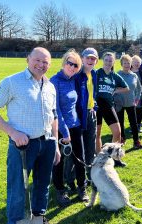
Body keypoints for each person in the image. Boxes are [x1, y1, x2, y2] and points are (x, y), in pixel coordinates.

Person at [0, 47, 60, 224]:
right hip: (23, 145)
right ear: (28, 59)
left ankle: (39, 219)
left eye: (45, 62)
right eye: (37, 60)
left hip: (48, 143)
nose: (41, 65)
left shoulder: (50, 86)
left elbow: (54, 117)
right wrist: (13, 132)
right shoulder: (12, 82)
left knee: (43, 185)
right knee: (18, 188)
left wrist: (56, 143)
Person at [51, 49, 89, 206]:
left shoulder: (73, 79)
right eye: (70, 63)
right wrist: (65, 132)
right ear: (64, 62)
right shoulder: (54, 81)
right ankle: (60, 190)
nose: (72, 67)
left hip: (76, 125)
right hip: (60, 128)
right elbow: (56, 110)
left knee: (80, 159)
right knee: (59, 161)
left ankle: (82, 187)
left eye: (76, 65)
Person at [96, 52, 129, 167]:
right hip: (96, 106)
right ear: (102, 60)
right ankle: (99, 159)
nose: (108, 62)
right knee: (97, 134)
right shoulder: (96, 73)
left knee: (117, 132)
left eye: (110, 60)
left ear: (114, 62)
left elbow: (126, 88)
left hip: (109, 105)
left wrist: (116, 91)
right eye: (106, 60)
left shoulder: (115, 76)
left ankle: (116, 158)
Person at [75, 47, 98, 183]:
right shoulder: (77, 75)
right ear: (82, 59)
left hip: (91, 114)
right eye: (88, 58)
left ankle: (90, 175)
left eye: (93, 58)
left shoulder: (94, 74)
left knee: (90, 147)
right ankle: (73, 179)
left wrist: (94, 107)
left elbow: (93, 94)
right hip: (78, 117)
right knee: (78, 150)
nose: (90, 60)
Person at [115, 54, 142, 149]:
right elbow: (113, 89)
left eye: (128, 63)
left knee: (134, 123)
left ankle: (136, 142)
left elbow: (139, 89)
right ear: (121, 64)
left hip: (131, 103)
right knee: (120, 122)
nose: (127, 65)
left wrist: (137, 99)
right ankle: (122, 139)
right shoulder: (117, 75)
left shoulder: (134, 76)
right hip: (119, 103)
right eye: (125, 63)